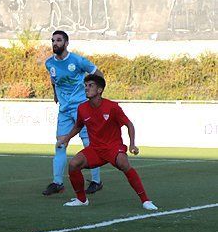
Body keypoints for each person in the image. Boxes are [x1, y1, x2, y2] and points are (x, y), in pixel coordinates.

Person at [57, 74, 156, 211]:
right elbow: (78, 126)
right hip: (95, 150)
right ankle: (81, 199)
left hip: (113, 147)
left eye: (90, 85)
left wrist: (132, 144)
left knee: (123, 163)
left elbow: (129, 124)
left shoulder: (112, 107)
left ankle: (145, 200)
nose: (86, 88)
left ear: (99, 90)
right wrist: (66, 139)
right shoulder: (82, 108)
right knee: (74, 164)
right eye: (85, 85)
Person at [43, 30, 104, 196]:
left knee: (88, 144)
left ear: (66, 43)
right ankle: (57, 183)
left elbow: (98, 73)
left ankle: (97, 181)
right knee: (60, 144)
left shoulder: (77, 60)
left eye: (59, 40)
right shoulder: (49, 63)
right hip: (64, 110)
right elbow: (53, 80)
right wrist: (56, 95)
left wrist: (97, 95)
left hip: (82, 108)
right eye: (53, 40)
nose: (55, 43)